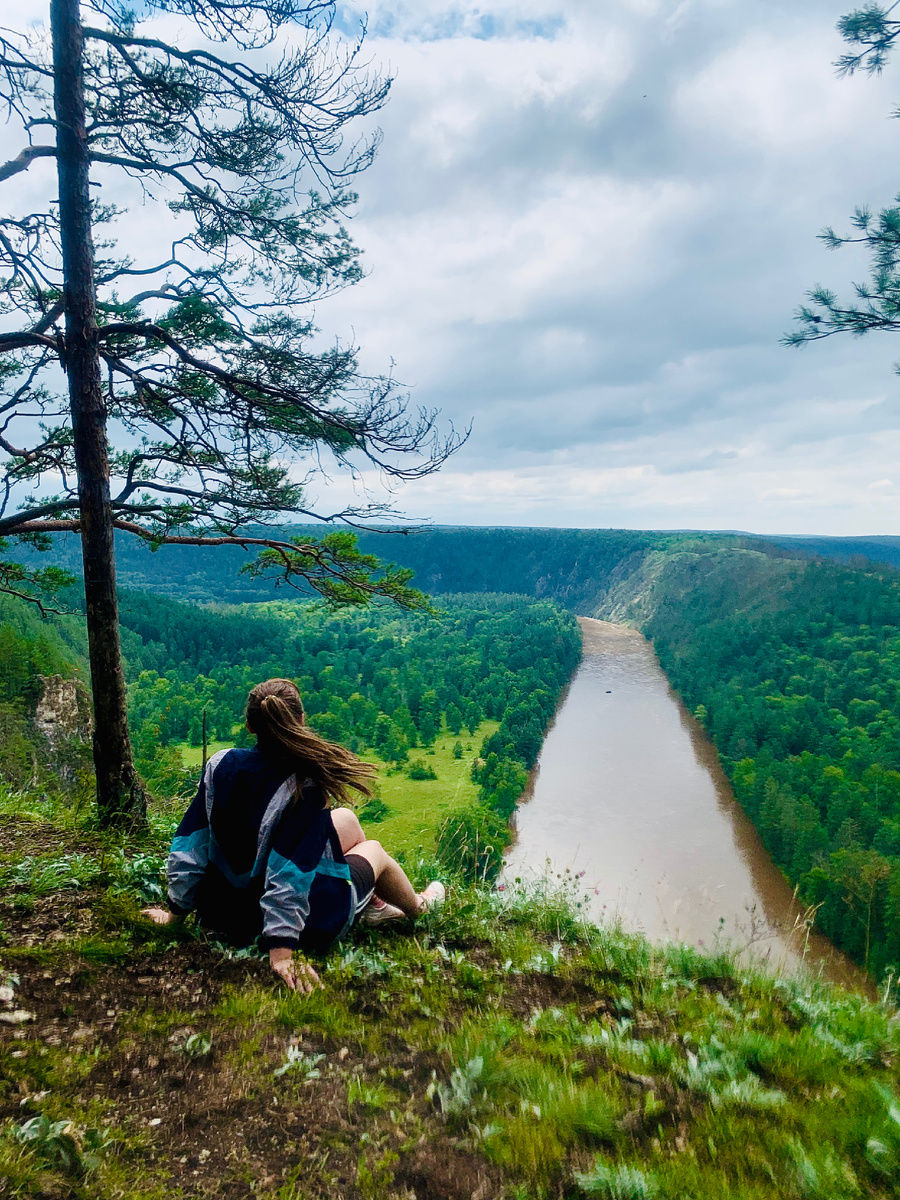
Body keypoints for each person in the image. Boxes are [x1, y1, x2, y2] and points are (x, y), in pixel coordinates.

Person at [142, 677, 445, 992]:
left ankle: (376, 904)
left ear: (249, 726)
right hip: (294, 921)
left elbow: (191, 844)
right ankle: (418, 907)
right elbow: (289, 873)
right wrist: (282, 951)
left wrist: (174, 916)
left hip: (222, 911)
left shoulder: (220, 765)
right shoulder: (303, 785)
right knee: (375, 850)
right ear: (300, 721)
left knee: (348, 820)